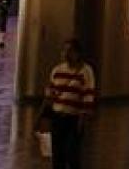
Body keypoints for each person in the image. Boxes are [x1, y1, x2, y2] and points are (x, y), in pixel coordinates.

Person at [45, 38, 97, 169]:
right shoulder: (57, 70)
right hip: (57, 117)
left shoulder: (86, 71)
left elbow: (88, 95)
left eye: (70, 51)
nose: (66, 54)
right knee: (57, 155)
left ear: (78, 53)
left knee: (72, 154)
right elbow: (50, 93)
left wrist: (82, 118)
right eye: (64, 50)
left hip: (73, 118)